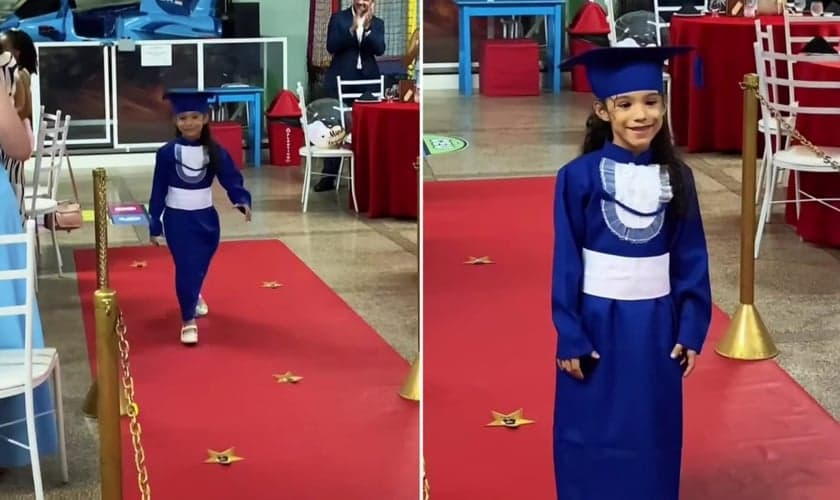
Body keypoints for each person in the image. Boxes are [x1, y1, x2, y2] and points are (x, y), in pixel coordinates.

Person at [551, 46, 712, 500]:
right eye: (625, 105)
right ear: (603, 111)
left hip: (656, 325)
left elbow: (691, 256)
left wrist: (692, 325)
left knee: (652, 423)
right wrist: (570, 333)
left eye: (651, 101)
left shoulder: (678, 177)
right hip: (597, 324)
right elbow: (566, 260)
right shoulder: (577, 177)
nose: (641, 115)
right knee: (591, 422)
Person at [148, 90, 252, 345]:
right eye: (183, 118)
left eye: (195, 116)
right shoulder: (166, 153)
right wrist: (154, 220)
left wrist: (242, 200)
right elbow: (158, 188)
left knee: (199, 265)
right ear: (175, 121)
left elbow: (230, 177)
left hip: (206, 221)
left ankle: (193, 295)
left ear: (205, 118)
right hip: (177, 221)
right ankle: (187, 321)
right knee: (186, 267)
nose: (189, 123)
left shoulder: (215, 151)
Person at [316, 0, 385, 192]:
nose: (363, 2)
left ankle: (365, 176)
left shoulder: (378, 23)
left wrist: (367, 29)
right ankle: (329, 176)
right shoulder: (339, 19)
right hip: (340, 80)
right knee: (335, 127)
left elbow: (379, 49)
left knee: (368, 126)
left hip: (367, 82)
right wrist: (352, 29)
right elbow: (331, 46)